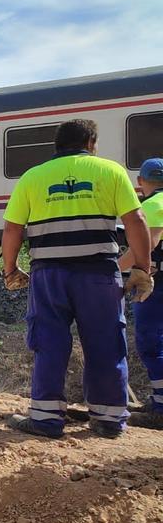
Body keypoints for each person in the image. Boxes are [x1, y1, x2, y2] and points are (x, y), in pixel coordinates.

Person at [2, 118, 153, 439]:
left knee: (49, 341)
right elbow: (136, 219)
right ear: (91, 143)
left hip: (49, 275)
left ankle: (45, 419)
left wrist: (11, 269)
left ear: (56, 146)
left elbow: (12, 228)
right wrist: (142, 267)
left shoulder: (32, 177)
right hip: (98, 273)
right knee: (105, 341)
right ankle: (109, 420)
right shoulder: (110, 171)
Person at [125, 157, 163, 430]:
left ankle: (160, 406)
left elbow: (145, 247)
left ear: (141, 182)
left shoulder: (152, 205)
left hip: (156, 284)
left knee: (151, 342)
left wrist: (111, 269)